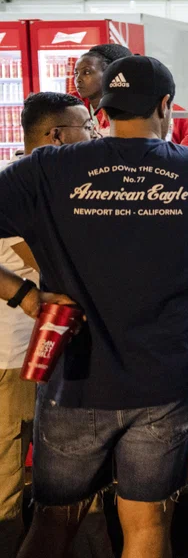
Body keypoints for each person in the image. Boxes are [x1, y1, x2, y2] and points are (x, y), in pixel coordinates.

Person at [0, 56, 188, 558]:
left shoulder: (47, 167)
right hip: (162, 378)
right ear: (166, 106)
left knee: (55, 522)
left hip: (75, 380)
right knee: (147, 525)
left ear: (102, 106)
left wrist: (26, 295)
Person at [0, 93, 112, 558]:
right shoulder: (19, 187)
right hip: (15, 360)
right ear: (57, 135)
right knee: (7, 480)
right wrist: (27, 296)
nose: (95, 134)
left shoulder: (61, 185)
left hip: (67, 355)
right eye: (86, 125)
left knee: (81, 478)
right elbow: (51, 262)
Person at [73, 43, 188, 141]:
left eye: (87, 72)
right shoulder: (72, 107)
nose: (78, 79)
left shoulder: (177, 114)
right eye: (76, 73)